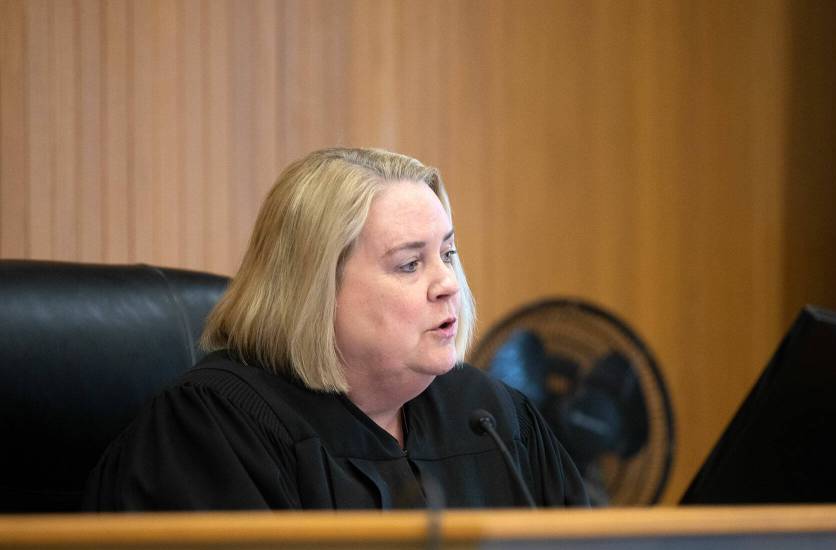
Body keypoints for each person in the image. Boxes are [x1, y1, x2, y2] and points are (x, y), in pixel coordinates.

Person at [84, 147, 590, 510]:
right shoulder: (213, 430)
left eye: (448, 254)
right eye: (409, 264)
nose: (447, 284)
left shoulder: (494, 418)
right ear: (315, 286)